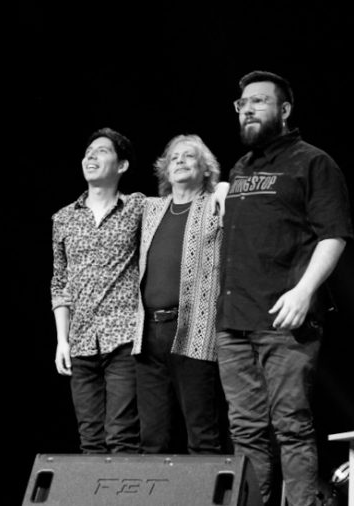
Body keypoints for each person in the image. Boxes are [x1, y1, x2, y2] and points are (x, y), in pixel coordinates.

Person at [216, 70, 354, 506]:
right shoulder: (241, 168)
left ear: (285, 109)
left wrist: (303, 291)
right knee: (245, 430)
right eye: (242, 104)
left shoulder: (312, 162)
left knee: (291, 427)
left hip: (284, 319)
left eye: (259, 101)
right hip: (233, 322)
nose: (248, 109)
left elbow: (334, 234)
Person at [51, 127, 144, 454]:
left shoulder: (138, 207)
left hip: (124, 339)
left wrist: (219, 187)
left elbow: (183, 200)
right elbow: (59, 283)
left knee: (122, 436)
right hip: (80, 341)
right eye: (88, 152)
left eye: (102, 151)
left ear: (122, 165)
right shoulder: (63, 218)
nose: (90, 156)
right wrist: (62, 340)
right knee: (90, 440)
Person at [134, 134, 225, 455]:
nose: (180, 162)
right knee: (151, 438)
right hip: (148, 334)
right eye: (174, 158)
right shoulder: (150, 209)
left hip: (194, 330)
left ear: (206, 169)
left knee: (202, 434)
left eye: (189, 157)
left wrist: (224, 187)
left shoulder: (216, 205)